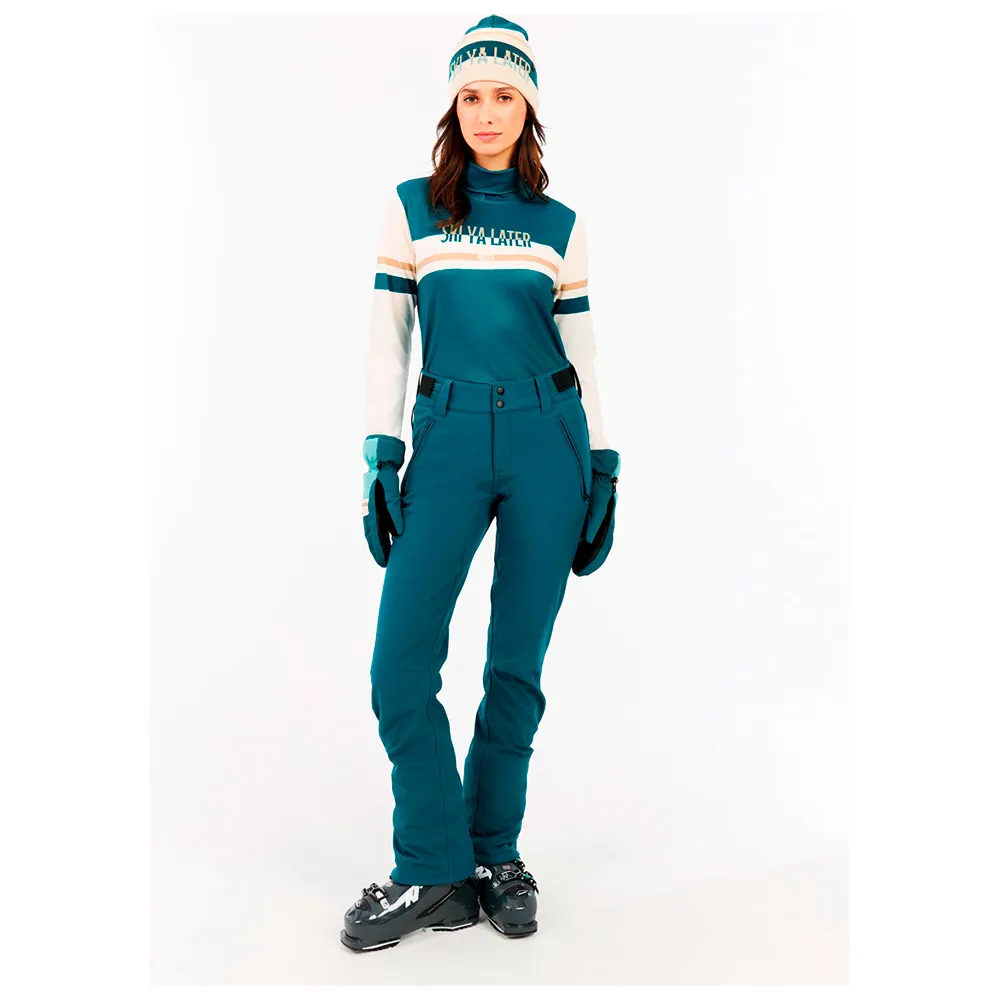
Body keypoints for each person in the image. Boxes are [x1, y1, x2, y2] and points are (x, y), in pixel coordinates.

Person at [342, 14, 621, 953]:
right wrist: (380, 451)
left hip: (549, 438)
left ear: (528, 109)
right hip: (448, 434)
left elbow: (583, 351)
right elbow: (388, 338)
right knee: (399, 666)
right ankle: (433, 865)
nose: (488, 112)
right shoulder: (413, 210)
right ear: (453, 108)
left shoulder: (560, 226)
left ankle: (494, 854)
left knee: (515, 666)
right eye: (471, 96)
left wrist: (603, 463)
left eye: (505, 95)